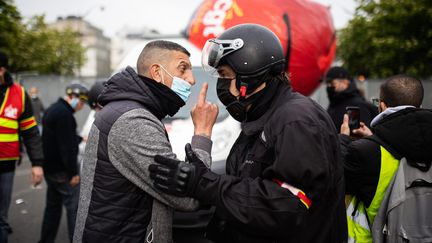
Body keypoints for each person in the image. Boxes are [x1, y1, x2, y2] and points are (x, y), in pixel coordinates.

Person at [149, 24, 347, 242]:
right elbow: (249, 181)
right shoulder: (263, 118)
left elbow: (287, 205)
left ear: (250, 75)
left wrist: (204, 184)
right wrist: (200, 174)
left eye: (225, 75)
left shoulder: (295, 120)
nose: (221, 85)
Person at [73, 40, 218, 243]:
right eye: (183, 69)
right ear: (157, 72)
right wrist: (202, 133)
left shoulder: (128, 109)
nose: (192, 79)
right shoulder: (133, 121)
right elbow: (187, 197)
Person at [339, 74, 432, 242]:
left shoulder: (364, 151)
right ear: (418, 104)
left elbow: (337, 183)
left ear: (382, 105)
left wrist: (344, 139)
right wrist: (373, 137)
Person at [0, 51, 44, 243]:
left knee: (1, 219)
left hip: (6, 166)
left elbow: (31, 132)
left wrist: (37, 163)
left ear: (1, 70)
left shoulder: (18, 93)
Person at [39, 82, 89, 243]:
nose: (81, 106)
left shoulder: (53, 109)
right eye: (81, 102)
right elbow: (66, 147)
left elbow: (58, 137)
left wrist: (80, 138)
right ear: (73, 98)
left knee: (52, 210)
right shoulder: (65, 116)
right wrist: (73, 173)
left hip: (50, 170)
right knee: (74, 210)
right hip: (63, 172)